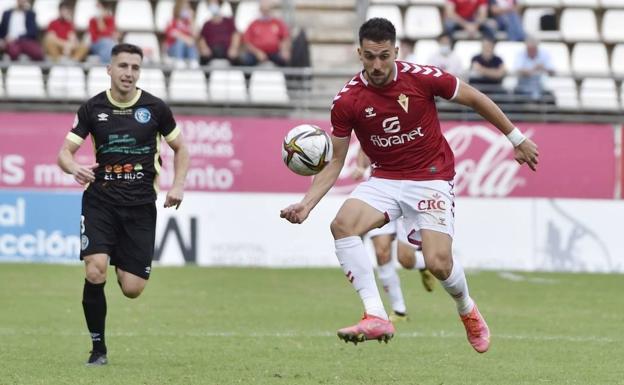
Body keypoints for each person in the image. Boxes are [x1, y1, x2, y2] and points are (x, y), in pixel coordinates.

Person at [280, 18, 539, 352]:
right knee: (342, 226)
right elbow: (335, 160)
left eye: (384, 56)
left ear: (395, 52)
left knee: (438, 263)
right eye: (370, 56)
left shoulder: (422, 78)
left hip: (430, 177)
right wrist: (307, 203)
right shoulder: (347, 101)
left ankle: (467, 309)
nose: (376, 64)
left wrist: (516, 138)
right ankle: (375, 314)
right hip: (385, 178)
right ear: (359, 53)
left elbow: (475, 99)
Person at [56, 43, 190, 366]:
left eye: (135, 67)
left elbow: (181, 149)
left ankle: (118, 260)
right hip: (100, 202)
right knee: (94, 271)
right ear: (109, 69)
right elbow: (64, 153)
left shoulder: (155, 109)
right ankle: (98, 349)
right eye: (123, 66)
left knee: (132, 288)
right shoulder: (92, 109)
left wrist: (178, 184)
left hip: (141, 206)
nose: (129, 73)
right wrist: (74, 167)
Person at [353, 148, 435, 322]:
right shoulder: (375, 122)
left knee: (405, 259)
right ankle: (399, 311)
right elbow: (364, 145)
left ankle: (424, 264)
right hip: (382, 192)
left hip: (411, 194)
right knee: (381, 252)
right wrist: (361, 166)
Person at [240, 0, 290, 67]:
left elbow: (285, 37)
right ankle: (247, 77)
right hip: (256, 53)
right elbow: (247, 42)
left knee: (285, 59)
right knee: (246, 60)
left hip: (274, 52)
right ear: (260, 10)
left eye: (267, 10)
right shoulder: (253, 24)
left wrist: (284, 50)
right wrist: (257, 52)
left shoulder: (278, 23)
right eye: (264, 10)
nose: (266, 12)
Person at [198, 0, 241, 65]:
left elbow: (235, 35)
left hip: (227, 51)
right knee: (202, 59)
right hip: (212, 51)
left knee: (239, 60)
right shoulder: (206, 24)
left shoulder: (228, 21)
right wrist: (204, 48)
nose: (213, 6)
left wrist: (234, 48)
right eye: (211, 4)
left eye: (215, 3)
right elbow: (202, 38)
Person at [513, 36, 555, 102]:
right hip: (523, 89)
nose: (531, 51)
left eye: (533, 49)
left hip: (541, 88)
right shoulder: (520, 54)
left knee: (551, 98)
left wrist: (543, 68)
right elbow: (518, 69)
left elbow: (552, 70)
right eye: (529, 49)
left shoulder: (544, 54)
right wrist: (533, 69)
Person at [164, 0, 199, 67]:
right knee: (181, 41)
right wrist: (187, 39)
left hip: (187, 50)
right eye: (184, 8)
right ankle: (179, 60)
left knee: (191, 42)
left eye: (187, 8)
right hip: (173, 50)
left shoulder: (188, 22)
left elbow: (196, 34)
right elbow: (173, 33)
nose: (186, 10)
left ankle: (193, 60)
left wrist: (191, 20)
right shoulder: (172, 21)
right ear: (178, 8)